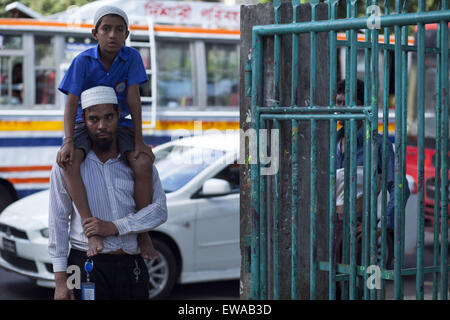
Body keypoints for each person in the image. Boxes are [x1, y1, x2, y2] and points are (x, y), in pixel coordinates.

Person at [49, 86, 168, 300]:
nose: (102, 126)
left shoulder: (137, 162)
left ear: (118, 116)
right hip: (82, 262)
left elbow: (159, 210)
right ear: (84, 119)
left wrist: (114, 227)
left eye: (109, 117)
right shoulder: (67, 165)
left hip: (132, 263)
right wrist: (60, 282)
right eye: (94, 119)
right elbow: (58, 220)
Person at [57, 5, 156, 259]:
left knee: (143, 163)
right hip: (83, 121)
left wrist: (139, 141)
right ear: (95, 33)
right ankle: (92, 229)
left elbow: (133, 99)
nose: (112, 35)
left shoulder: (132, 57)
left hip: (118, 123)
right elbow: (70, 103)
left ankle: (143, 234)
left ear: (127, 34)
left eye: (119, 30)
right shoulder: (82, 60)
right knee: (69, 163)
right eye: (106, 29)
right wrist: (68, 141)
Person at [334, 79, 410, 297]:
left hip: (359, 230)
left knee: (360, 290)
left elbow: (399, 187)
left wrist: (382, 225)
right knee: (332, 289)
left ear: (360, 106)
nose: (339, 109)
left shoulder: (377, 145)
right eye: (337, 103)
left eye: (345, 103)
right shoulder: (329, 141)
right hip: (329, 228)